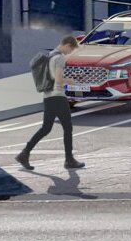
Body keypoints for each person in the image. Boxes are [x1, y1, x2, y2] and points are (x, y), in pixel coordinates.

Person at [17, 36, 84, 171]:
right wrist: (69, 81)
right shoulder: (59, 58)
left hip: (48, 96)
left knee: (46, 128)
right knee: (68, 128)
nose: (69, 53)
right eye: (70, 49)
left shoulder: (49, 55)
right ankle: (69, 159)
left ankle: (24, 153)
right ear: (66, 45)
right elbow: (58, 79)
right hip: (58, 96)